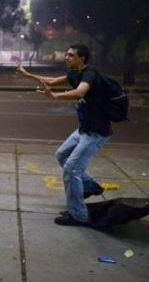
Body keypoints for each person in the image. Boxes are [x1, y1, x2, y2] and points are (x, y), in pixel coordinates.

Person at [17, 44, 110, 226]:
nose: (66, 57)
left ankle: (78, 216)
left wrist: (56, 97)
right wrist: (28, 75)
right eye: (66, 54)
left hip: (96, 133)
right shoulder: (74, 74)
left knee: (71, 169)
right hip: (84, 130)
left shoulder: (89, 74)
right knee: (61, 155)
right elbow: (50, 81)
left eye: (71, 55)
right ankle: (91, 186)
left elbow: (81, 91)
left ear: (82, 58)